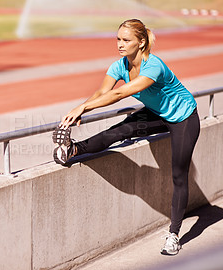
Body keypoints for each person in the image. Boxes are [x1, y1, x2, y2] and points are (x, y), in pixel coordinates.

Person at [52, 19, 200, 255]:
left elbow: (120, 93)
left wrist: (83, 109)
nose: (120, 44)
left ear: (141, 42)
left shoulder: (154, 66)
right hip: (157, 114)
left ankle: (174, 234)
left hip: (184, 117)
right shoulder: (120, 65)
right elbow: (103, 91)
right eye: (118, 39)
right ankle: (73, 150)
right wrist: (83, 105)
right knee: (121, 130)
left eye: (126, 40)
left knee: (179, 174)